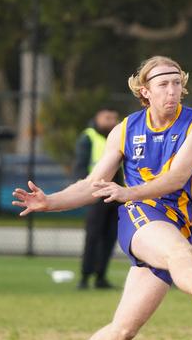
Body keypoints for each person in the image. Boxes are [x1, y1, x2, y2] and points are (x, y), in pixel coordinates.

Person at [12, 56, 192, 339]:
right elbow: (93, 184)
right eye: (164, 84)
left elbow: (176, 178)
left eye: (177, 83)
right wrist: (50, 201)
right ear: (145, 91)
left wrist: (126, 190)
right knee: (180, 252)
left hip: (179, 223)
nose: (172, 90)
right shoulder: (125, 130)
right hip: (141, 215)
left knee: (121, 331)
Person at [74, 106, 121, 290]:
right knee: (93, 236)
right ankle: (85, 277)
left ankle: (101, 276)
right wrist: (84, 191)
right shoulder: (88, 137)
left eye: (114, 118)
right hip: (96, 194)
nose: (111, 121)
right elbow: (80, 166)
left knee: (110, 236)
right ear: (97, 117)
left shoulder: (120, 137)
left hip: (116, 194)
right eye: (107, 117)